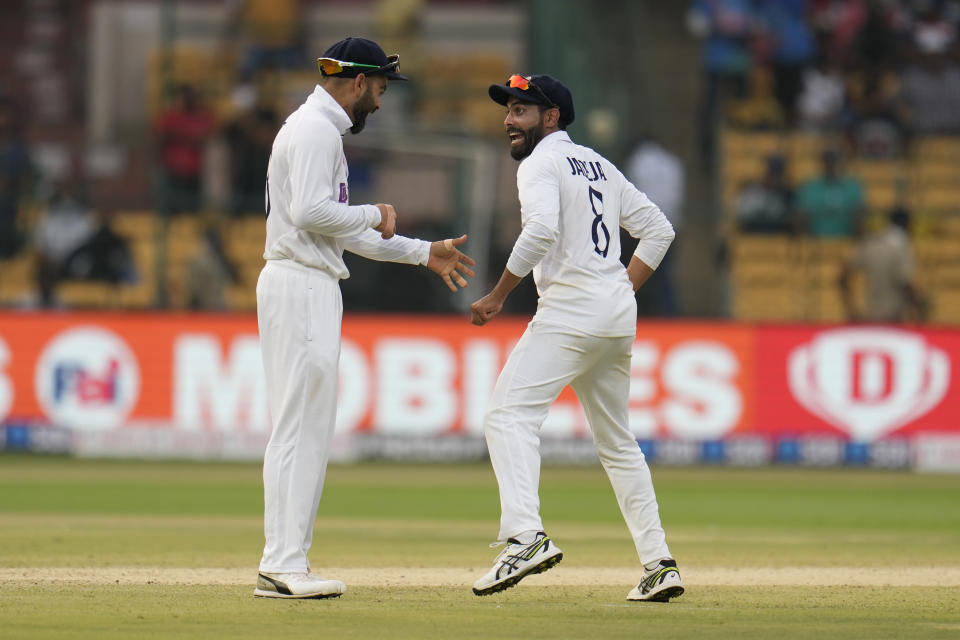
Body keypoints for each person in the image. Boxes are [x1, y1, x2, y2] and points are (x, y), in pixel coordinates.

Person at [253, 37, 475, 600]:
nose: (378, 102)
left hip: (308, 284)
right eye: (378, 90)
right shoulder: (316, 132)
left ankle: (285, 562)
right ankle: (283, 564)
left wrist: (422, 251)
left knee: (304, 429)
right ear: (357, 83)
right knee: (298, 429)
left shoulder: (317, 130)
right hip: (301, 286)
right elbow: (310, 211)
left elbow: (341, 231)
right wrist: (376, 212)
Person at [469, 74, 682, 602]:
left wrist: (497, 295)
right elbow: (659, 229)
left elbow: (539, 230)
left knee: (507, 416)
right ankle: (659, 564)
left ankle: (525, 537)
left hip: (570, 312)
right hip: (614, 316)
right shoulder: (599, 165)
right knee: (617, 443)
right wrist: (619, 289)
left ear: (552, 117)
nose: (509, 120)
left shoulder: (541, 164)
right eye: (509, 110)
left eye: (522, 110)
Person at [839, 206, 928, 323]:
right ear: (907, 224)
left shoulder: (871, 243)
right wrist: (919, 305)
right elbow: (905, 282)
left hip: (871, 313)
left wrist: (852, 310)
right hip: (894, 315)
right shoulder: (902, 247)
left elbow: (843, 277)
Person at [796, 148, 864, 237]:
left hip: (847, 241)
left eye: (834, 161)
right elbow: (801, 215)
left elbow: (859, 216)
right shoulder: (810, 187)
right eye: (828, 161)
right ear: (822, 163)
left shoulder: (853, 187)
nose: (831, 165)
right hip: (815, 241)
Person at [736, 153, 796, 233]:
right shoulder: (751, 192)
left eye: (778, 174)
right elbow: (742, 217)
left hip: (779, 238)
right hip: (753, 237)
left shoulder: (789, 195)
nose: (774, 178)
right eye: (771, 172)